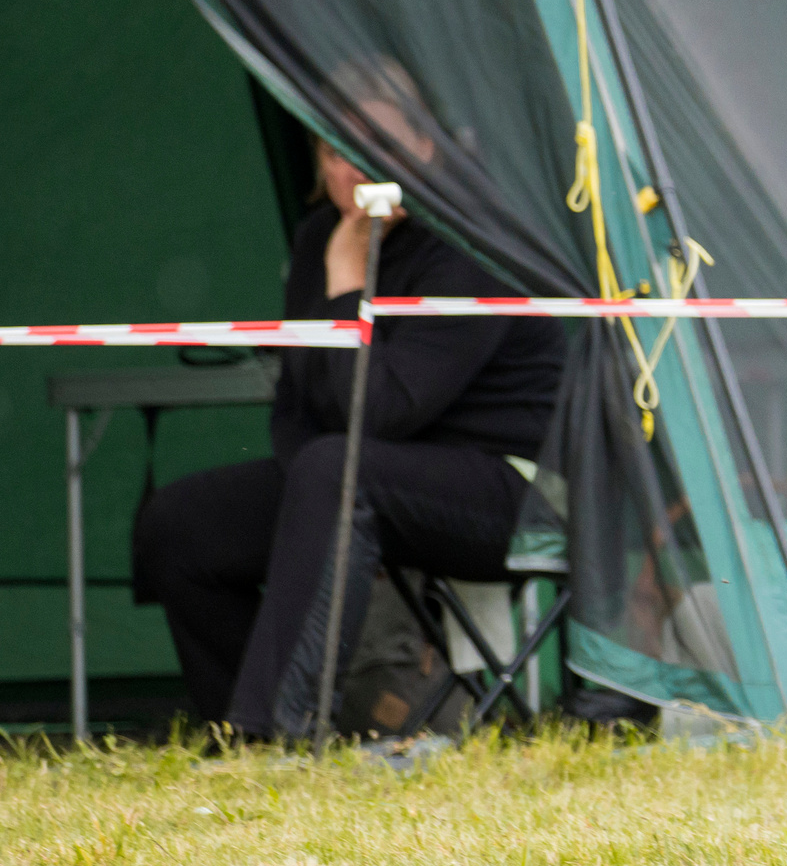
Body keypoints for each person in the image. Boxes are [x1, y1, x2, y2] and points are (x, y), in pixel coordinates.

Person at [131, 125, 564, 739]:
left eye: (376, 145)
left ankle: (280, 728)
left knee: (336, 470)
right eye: (336, 152)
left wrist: (345, 281)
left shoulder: (470, 242)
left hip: (511, 492)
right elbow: (298, 400)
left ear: (424, 149)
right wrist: (317, 507)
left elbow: (382, 410)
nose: (356, 169)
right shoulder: (317, 237)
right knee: (181, 523)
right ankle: (237, 732)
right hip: (365, 476)